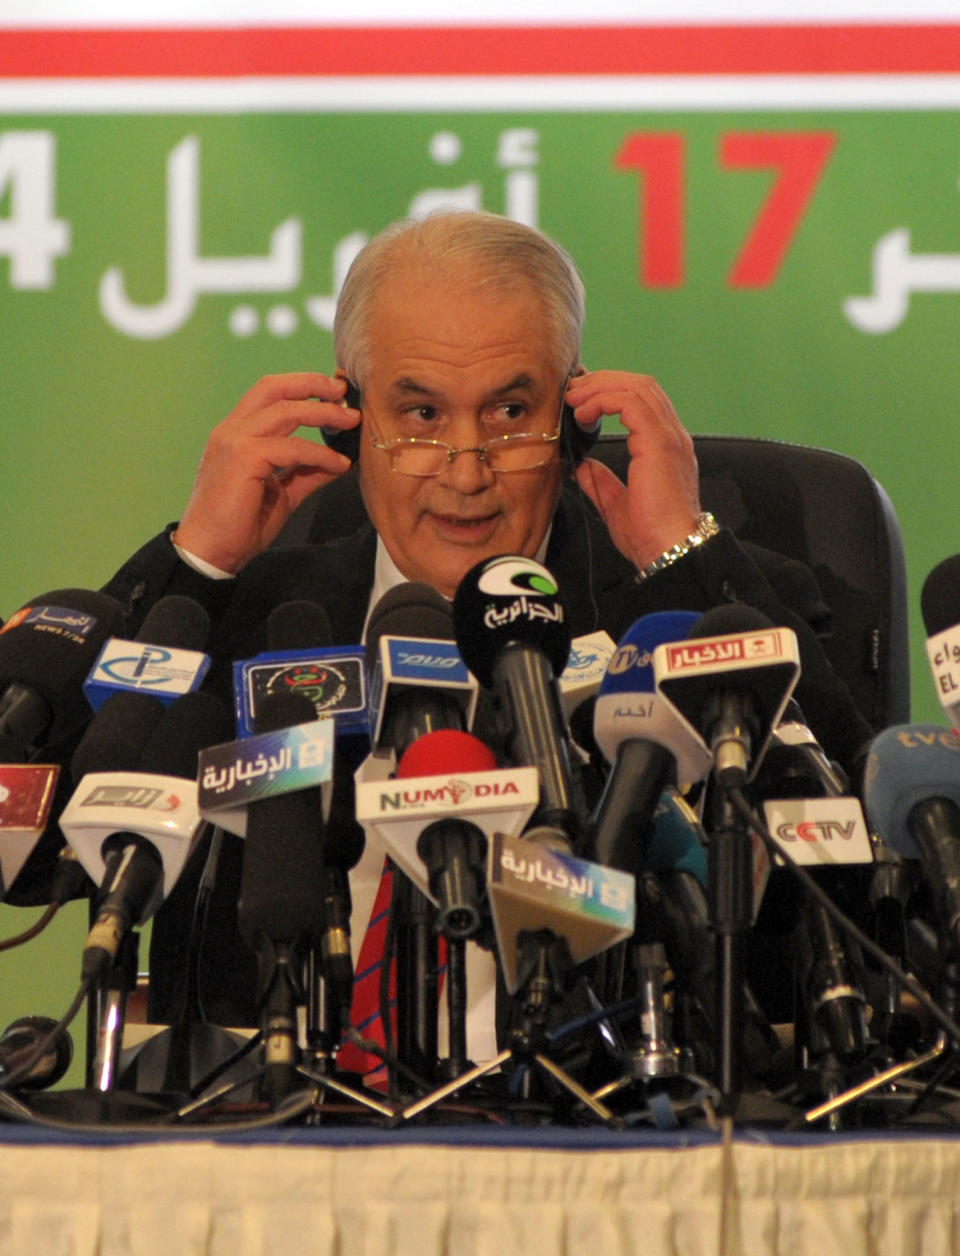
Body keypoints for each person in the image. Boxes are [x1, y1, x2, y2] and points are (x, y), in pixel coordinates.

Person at [103, 209, 872, 1032]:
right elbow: (51, 834)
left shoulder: (680, 612)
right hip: (272, 1114)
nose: (467, 472)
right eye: (423, 416)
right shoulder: (253, 616)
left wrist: (677, 553)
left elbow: (861, 854)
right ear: (353, 412)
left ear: (575, 410)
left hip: (619, 1122)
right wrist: (198, 562)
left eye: (509, 414)